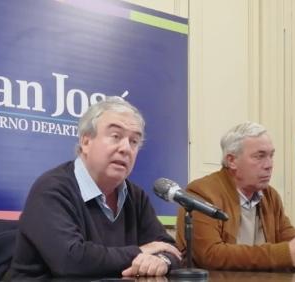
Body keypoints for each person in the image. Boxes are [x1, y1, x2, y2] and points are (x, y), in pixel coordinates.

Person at [10, 97, 181, 279]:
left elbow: (168, 248)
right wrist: (140, 251)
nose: (125, 148)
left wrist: (162, 260)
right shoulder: (51, 189)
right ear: (86, 141)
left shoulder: (135, 196)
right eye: (116, 136)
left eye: (134, 141)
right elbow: (70, 260)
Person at [175, 121, 295, 271]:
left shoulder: (270, 196)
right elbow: (210, 255)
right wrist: (285, 255)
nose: (269, 165)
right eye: (259, 156)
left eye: (271, 155)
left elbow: (288, 241)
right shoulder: (202, 192)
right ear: (232, 161)